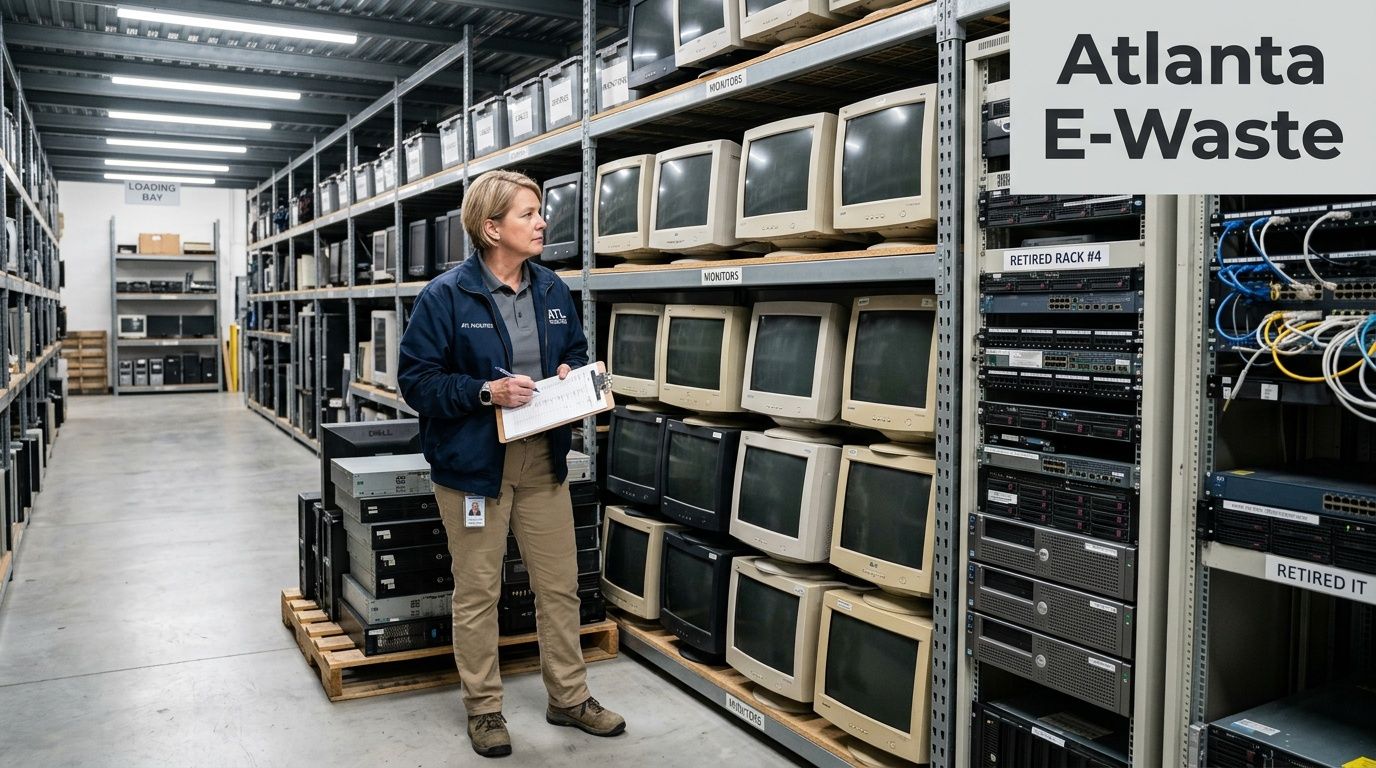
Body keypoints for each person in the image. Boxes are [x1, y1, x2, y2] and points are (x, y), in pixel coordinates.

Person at [397, 170, 624, 758]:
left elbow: (572, 351)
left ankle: (569, 698)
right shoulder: (445, 297)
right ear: (492, 228)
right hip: (474, 469)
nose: (542, 222)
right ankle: (485, 709)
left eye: (539, 211)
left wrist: (574, 376)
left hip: (542, 461)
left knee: (561, 587)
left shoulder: (551, 290)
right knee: (478, 592)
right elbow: (417, 383)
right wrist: (484, 394)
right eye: (528, 214)